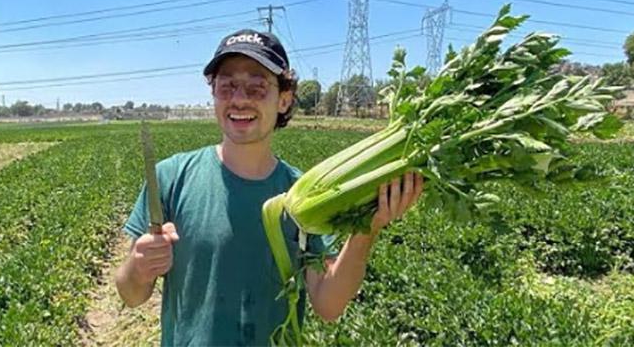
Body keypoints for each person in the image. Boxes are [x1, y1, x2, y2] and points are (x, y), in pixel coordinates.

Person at [114, 29, 423, 346]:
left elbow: (328, 304)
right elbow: (131, 295)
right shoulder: (171, 177)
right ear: (214, 94)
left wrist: (367, 230)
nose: (239, 99)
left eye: (257, 87)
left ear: (284, 99)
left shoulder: (308, 198)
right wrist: (138, 268)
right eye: (227, 86)